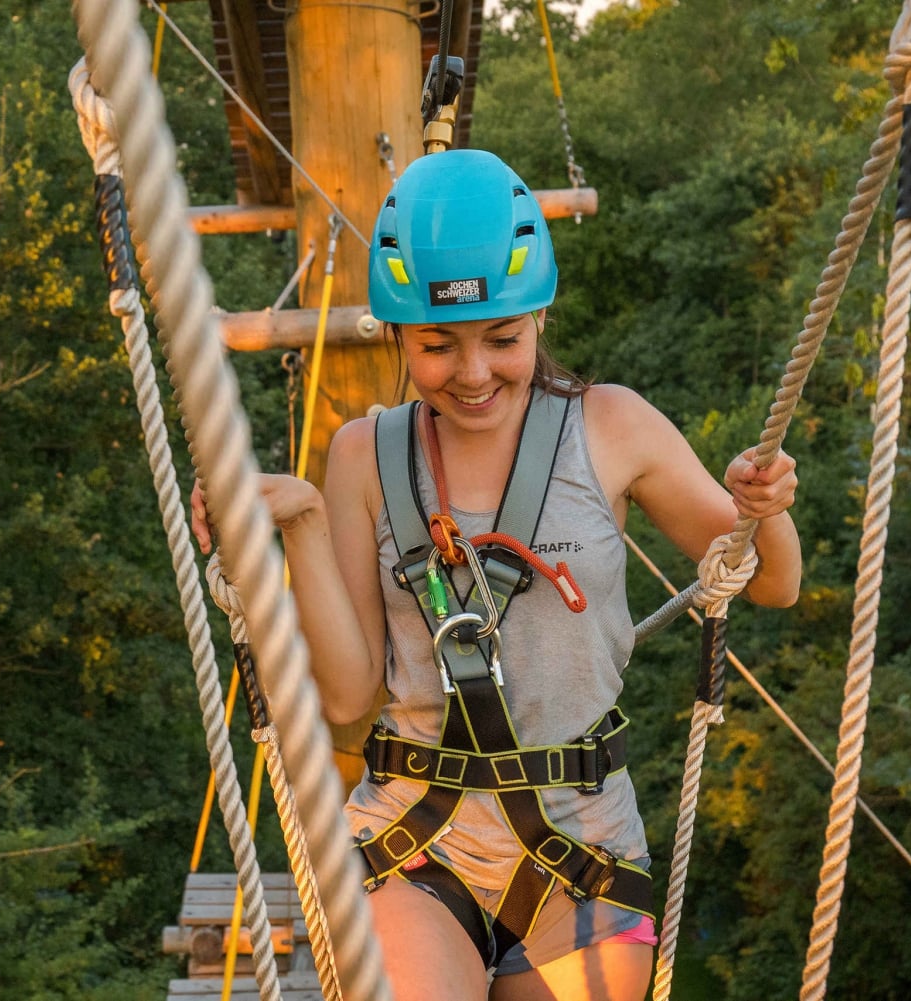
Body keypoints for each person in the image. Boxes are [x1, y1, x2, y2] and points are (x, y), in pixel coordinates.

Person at [191, 148, 801, 1000]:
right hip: (415, 839)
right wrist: (300, 521)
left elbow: (771, 581)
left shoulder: (612, 428)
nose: (473, 374)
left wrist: (766, 509)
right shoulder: (366, 455)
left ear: (540, 315)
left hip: (579, 844)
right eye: (438, 345)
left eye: (502, 339)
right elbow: (346, 696)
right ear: (399, 334)